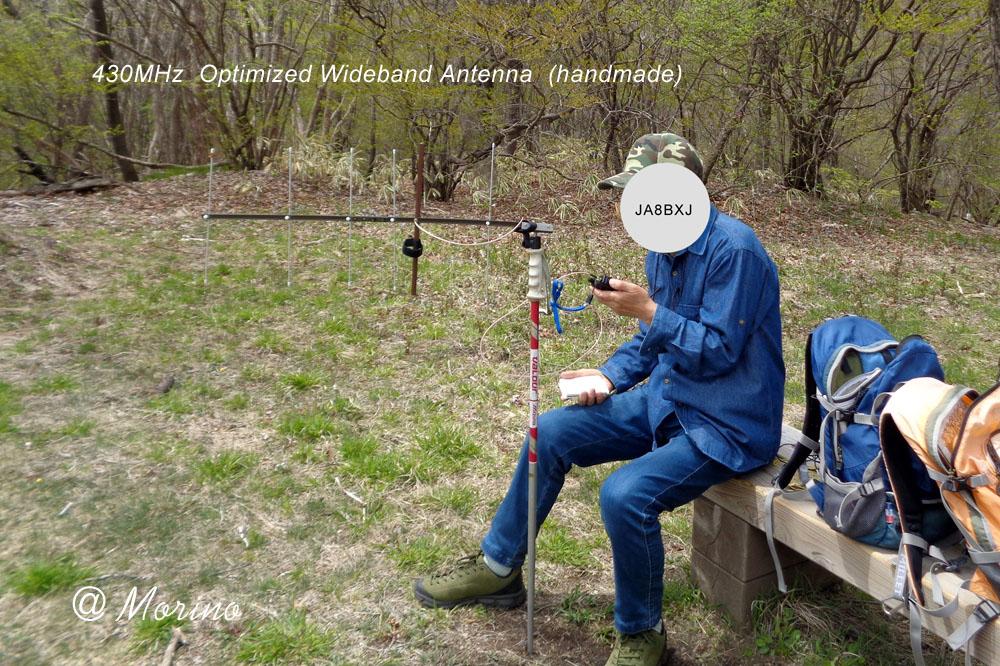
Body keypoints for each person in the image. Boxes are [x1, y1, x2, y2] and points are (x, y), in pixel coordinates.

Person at [413, 133, 785, 666]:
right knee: (551, 433)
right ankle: (498, 569)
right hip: (668, 400)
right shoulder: (664, 248)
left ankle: (641, 634)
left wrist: (649, 310)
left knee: (624, 496)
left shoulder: (734, 250)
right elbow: (652, 339)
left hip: (725, 423)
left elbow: (719, 350)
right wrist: (610, 377)